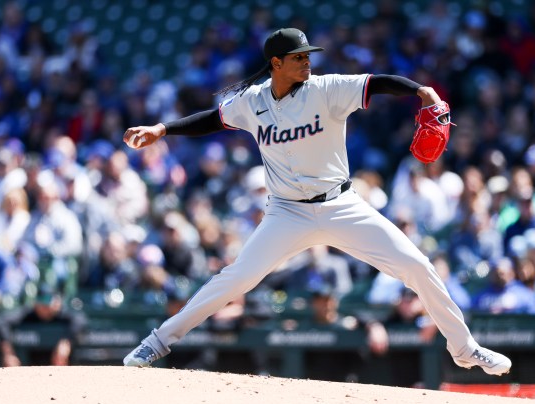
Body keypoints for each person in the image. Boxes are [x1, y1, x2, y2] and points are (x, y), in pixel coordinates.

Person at [122, 27, 511, 375]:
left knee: (416, 265)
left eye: (309, 55)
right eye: (299, 57)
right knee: (236, 278)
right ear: (276, 63)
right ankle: (158, 341)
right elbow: (213, 119)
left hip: (341, 205)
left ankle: (464, 347)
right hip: (286, 212)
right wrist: (163, 129)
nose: (308, 61)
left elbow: (377, 83)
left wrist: (420, 91)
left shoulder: (327, 90)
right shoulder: (252, 101)